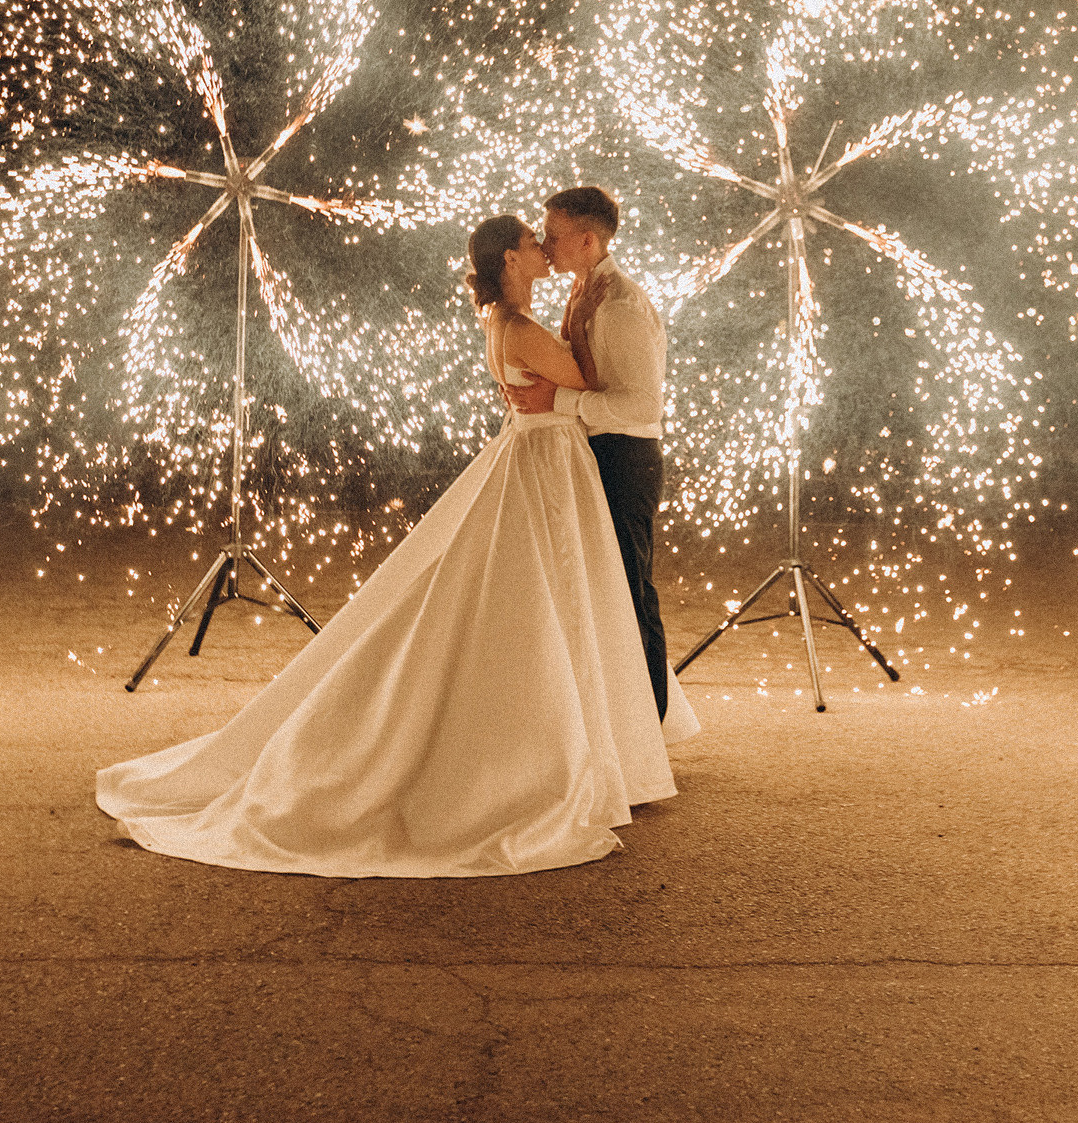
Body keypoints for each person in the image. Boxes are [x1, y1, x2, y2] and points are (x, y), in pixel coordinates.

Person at [95, 215, 695, 878]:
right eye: (532, 242)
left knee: (565, 598)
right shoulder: (522, 327)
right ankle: (561, 749)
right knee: (560, 600)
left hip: (543, 458)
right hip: (548, 466)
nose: (542, 248)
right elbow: (586, 377)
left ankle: (598, 738)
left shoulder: (507, 321)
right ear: (508, 259)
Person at [505, 187, 672, 718]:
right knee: (601, 589)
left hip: (626, 458)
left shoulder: (620, 304)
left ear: (586, 239)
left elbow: (643, 404)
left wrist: (561, 399)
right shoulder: (584, 290)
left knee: (629, 587)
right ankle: (616, 723)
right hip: (596, 454)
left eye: (553, 236)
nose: (545, 244)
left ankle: (651, 723)